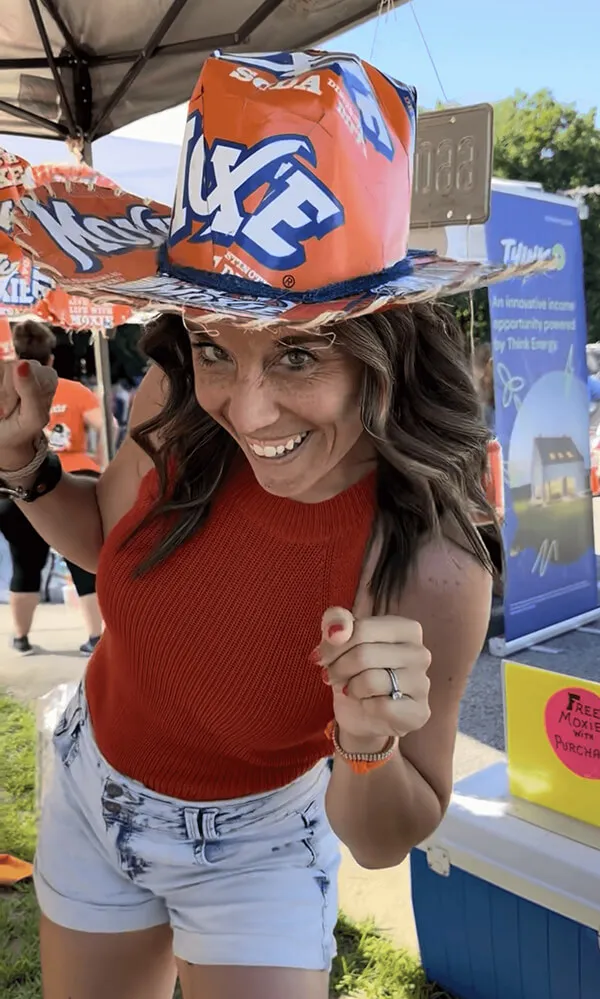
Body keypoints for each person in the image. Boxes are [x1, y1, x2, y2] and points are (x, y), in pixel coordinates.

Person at [0, 49, 542, 999]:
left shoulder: (433, 562)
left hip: (256, 848)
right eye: (216, 347)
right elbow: (103, 544)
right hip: (89, 785)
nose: (245, 411)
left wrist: (365, 744)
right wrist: (22, 460)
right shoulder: (175, 400)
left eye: (298, 354)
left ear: (386, 348)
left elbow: (384, 839)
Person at [0, 320, 108, 654]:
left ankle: (21, 638)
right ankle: (95, 637)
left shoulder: (6, 393)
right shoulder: (74, 390)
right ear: (50, 360)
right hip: (77, 478)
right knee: (85, 564)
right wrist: (99, 460)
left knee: (24, 564)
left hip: (14, 488)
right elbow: (107, 425)